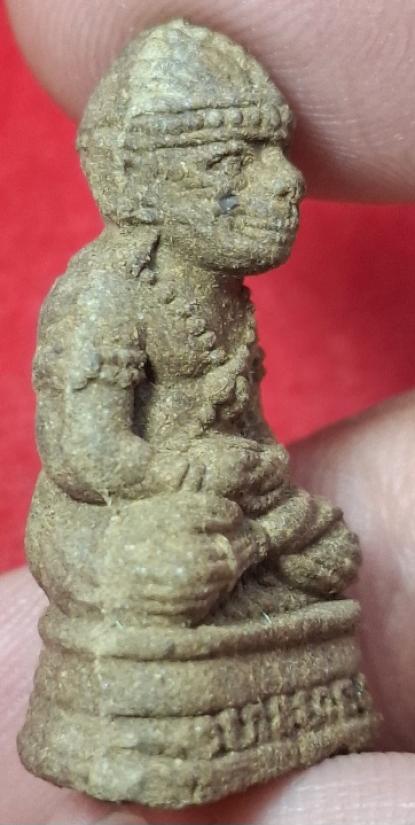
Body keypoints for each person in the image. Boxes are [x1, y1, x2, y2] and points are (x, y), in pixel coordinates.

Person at [2, 1, 415, 822]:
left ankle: (243, 579)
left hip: (227, 509)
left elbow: (248, 437)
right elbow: (84, 454)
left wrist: (258, 482)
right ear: (141, 185)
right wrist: (189, 471)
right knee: (177, 564)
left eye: (276, 152)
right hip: (113, 520)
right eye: (234, 161)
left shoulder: (225, 298)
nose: (286, 180)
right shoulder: (106, 294)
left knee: (332, 549)